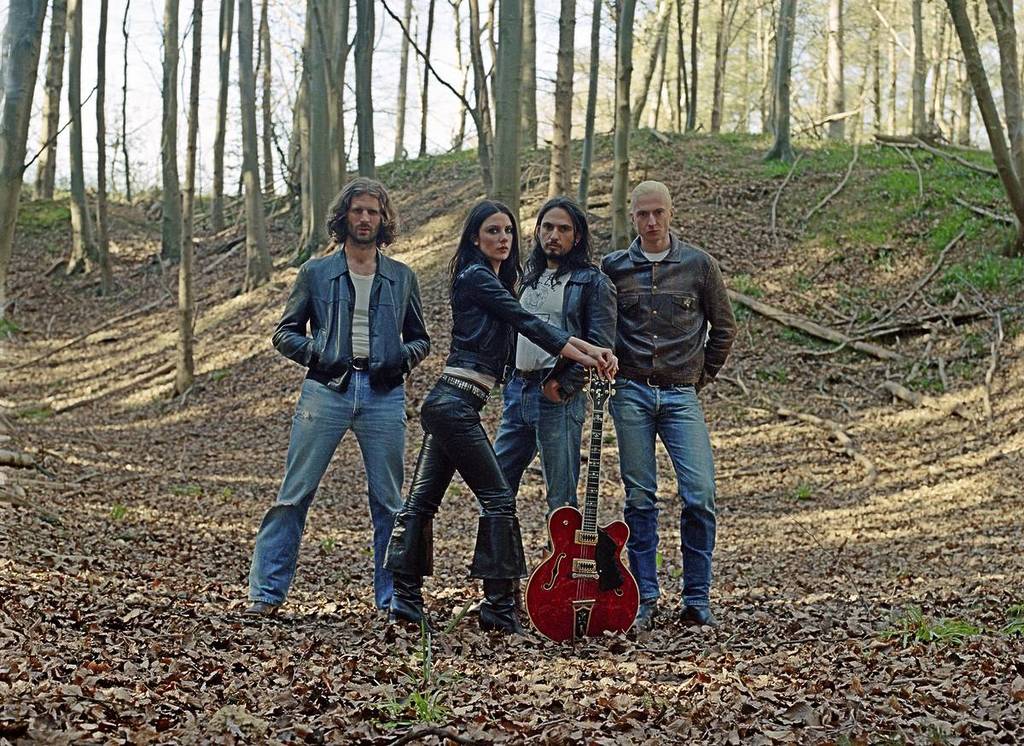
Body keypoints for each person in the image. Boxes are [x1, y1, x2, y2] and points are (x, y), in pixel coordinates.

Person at [383, 200, 617, 634]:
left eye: (508, 231)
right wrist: (588, 355)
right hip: (454, 405)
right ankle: (498, 607)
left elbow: (535, 327)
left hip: (453, 404)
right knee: (499, 499)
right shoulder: (476, 277)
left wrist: (592, 351)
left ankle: (406, 599)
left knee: (422, 501)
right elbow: (529, 323)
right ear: (475, 238)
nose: (503, 239)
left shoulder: (495, 280)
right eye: (492, 231)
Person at [246, 178, 430, 616]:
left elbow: (421, 339)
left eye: (373, 211)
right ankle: (265, 594)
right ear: (344, 216)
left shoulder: (401, 276)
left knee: (390, 502)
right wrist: (321, 355)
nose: (365, 218)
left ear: (383, 219)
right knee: (294, 493)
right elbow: (284, 333)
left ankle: (392, 598)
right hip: (325, 391)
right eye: (357, 210)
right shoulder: (316, 272)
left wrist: (397, 360)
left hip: (384, 394)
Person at [601, 180, 737, 630]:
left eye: (658, 212)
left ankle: (697, 598)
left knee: (700, 494)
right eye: (643, 214)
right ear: (632, 217)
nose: (651, 221)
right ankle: (645, 598)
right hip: (631, 392)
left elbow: (724, 328)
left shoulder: (699, 265)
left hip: (681, 395)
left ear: (671, 212)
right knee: (640, 496)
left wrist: (701, 375)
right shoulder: (614, 268)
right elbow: (599, 325)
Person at [492, 196, 616, 512]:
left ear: (577, 236)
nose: (553, 235)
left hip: (556, 397)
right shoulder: (525, 277)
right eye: (547, 227)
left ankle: (561, 549)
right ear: (537, 231)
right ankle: (500, 547)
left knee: (560, 501)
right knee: (495, 487)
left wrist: (563, 386)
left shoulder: (593, 282)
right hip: (517, 391)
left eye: (563, 229)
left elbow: (600, 346)